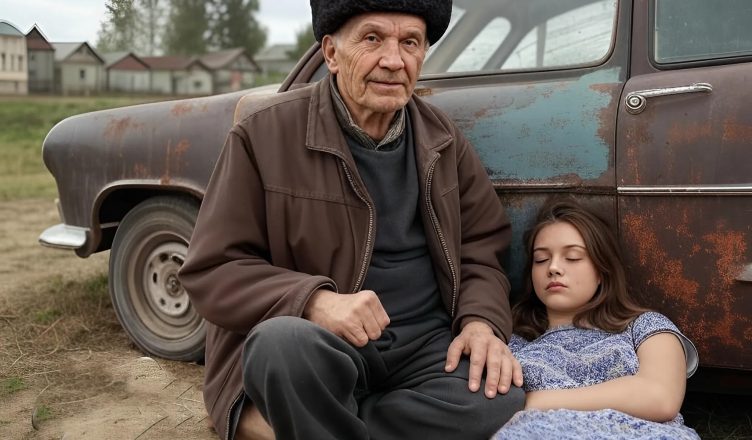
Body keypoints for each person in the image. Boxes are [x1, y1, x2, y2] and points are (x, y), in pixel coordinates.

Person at [178, 1, 525, 439]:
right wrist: (314, 301)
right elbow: (212, 269)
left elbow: (482, 249)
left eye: (410, 43)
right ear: (331, 53)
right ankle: (318, 414)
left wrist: (480, 322)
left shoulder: (443, 138)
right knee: (280, 347)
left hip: (423, 345)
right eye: (373, 39)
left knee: (494, 397)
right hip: (323, 343)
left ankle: (309, 423)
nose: (394, 60)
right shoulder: (262, 134)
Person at [492, 198, 701, 439]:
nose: (553, 267)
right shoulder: (510, 341)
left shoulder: (646, 327)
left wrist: (534, 401)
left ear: (602, 270)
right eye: (541, 259)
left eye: (572, 257)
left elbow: (660, 397)